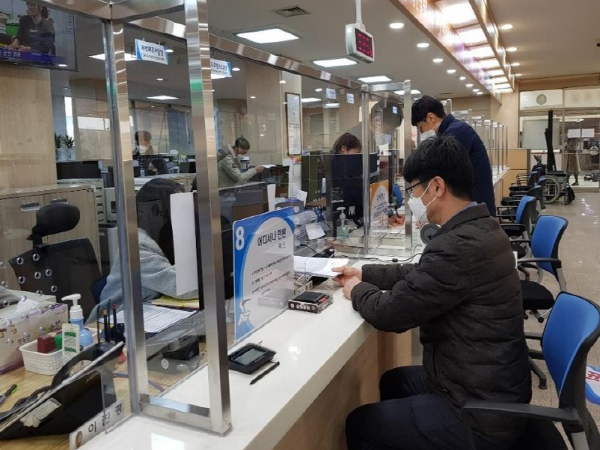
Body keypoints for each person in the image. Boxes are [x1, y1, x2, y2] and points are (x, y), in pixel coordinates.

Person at [333, 135, 531, 450]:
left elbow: (390, 312)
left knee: (361, 423)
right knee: (393, 381)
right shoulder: (480, 227)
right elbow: (423, 273)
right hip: (483, 381)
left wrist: (357, 290)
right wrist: (366, 273)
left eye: (414, 189)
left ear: (437, 186)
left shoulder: (458, 245)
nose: (412, 198)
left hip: (479, 412)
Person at [93, 179, 198, 319]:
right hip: (118, 318)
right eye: (178, 209)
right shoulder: (137, 247)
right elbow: (183, 287)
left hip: (151, 308)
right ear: (155, 212)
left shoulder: (163, 237)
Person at [412, 95, 496, 217]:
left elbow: (442, 174)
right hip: (474, 208)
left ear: (431, 117)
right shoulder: (455, 129)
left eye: (420, 128)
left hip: (476, 212)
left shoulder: (456, 133)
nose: (421, 133)